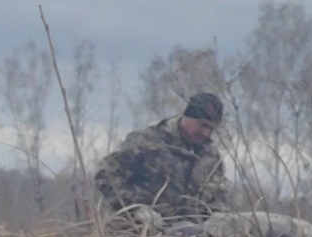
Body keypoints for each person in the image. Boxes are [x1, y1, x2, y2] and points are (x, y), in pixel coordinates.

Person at [93, 92, 229, 220]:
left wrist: (217, 218)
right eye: (203, 125)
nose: (206, 133)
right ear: (187, 117)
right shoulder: (147, 141)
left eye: (212, 129)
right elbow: (105, 175)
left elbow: (218, 198)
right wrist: (134, 209)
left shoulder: (211, 158)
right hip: (137, 236)